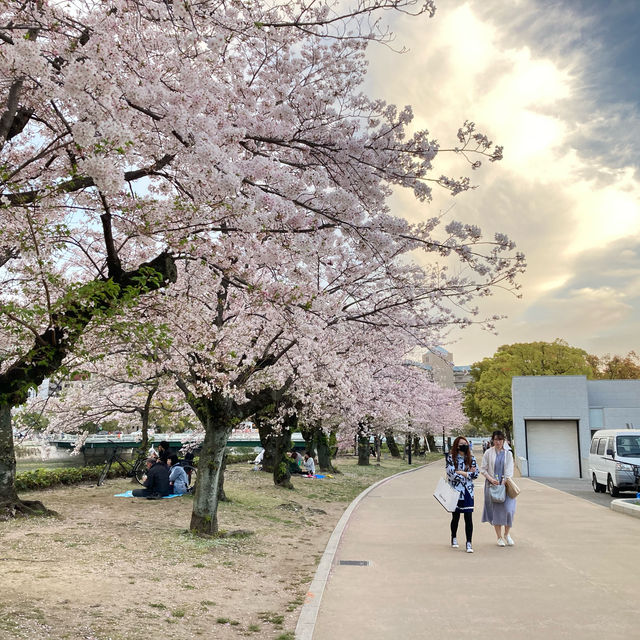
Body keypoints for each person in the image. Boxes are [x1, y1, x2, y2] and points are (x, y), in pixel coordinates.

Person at [480, 430, 516, 546]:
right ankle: (499, 537)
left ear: (503, 441)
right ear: (493, 440)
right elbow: (483, 469)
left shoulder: (508, 453)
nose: (498, 442)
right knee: (496, 512)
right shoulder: (488, 453)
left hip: (506, 486)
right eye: (496, 439)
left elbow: (510, 469)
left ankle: (507, 534)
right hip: (492, 486)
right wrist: (491, 479)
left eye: (500, 439)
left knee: (509, 510)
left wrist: (504, 480)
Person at [446, 436, 479, 553]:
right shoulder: (451, 458)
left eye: (465, 443)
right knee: (455, 517)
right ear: (456, 445)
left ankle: (469, 542)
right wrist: (467, 473)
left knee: (468, 517)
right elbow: (450, 474)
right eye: (461, 444)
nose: (463, 446)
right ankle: (453, 537)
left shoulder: (471, 458)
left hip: (468, 492)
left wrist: (461, 473)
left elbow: (476, 474)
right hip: (455, 491)